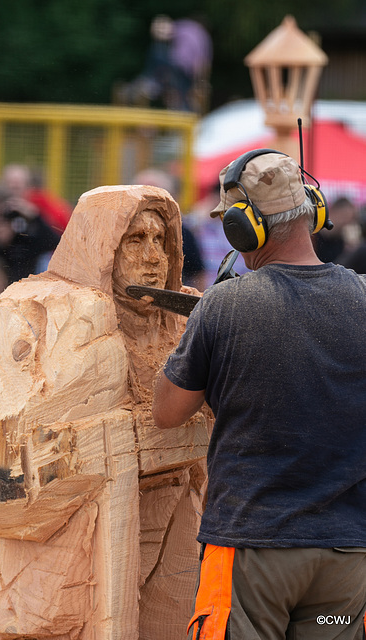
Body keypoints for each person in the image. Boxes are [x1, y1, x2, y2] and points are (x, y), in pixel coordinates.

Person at [0, 185, 210, 640]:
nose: (153, 256)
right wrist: (110, 437)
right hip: (61, 573)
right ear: (101, 243)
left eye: (162, 241)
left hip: (173, 553)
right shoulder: (36, 314)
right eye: (135, 240)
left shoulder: (185, 322)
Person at [152, 150, 366, 639]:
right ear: (314, 208)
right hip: (347, 559)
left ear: (241, 227)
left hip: (252, 547)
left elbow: (167, 411)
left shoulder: (226, 305)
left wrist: (208, 339)